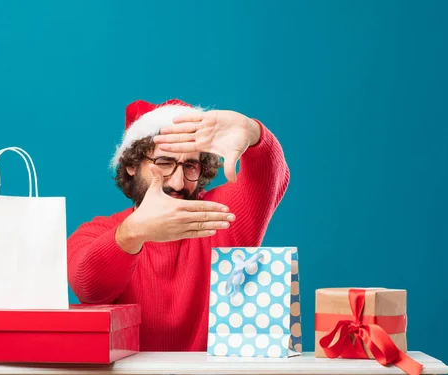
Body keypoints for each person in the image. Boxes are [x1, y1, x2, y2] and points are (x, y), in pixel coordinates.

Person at [67, 98, 290, 352]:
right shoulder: (96, 233)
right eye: (164, 163)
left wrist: (253, 133)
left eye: (190, 166)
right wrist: (134, 232)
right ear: (131, 164)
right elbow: (88, 288)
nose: (177, 183)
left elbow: (271, 176)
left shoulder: (215, 217)